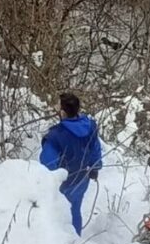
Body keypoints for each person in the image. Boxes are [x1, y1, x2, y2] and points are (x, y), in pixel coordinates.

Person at [40, 93, 103, 235]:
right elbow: (96, 149)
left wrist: (44, 180)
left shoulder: (56, 135)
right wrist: (95, 167)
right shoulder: (90, 126)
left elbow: (48, 164)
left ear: (62, 111)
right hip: (83, 178)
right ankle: (76, 240)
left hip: (63, 183)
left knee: (59, 215)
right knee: (74, 210)